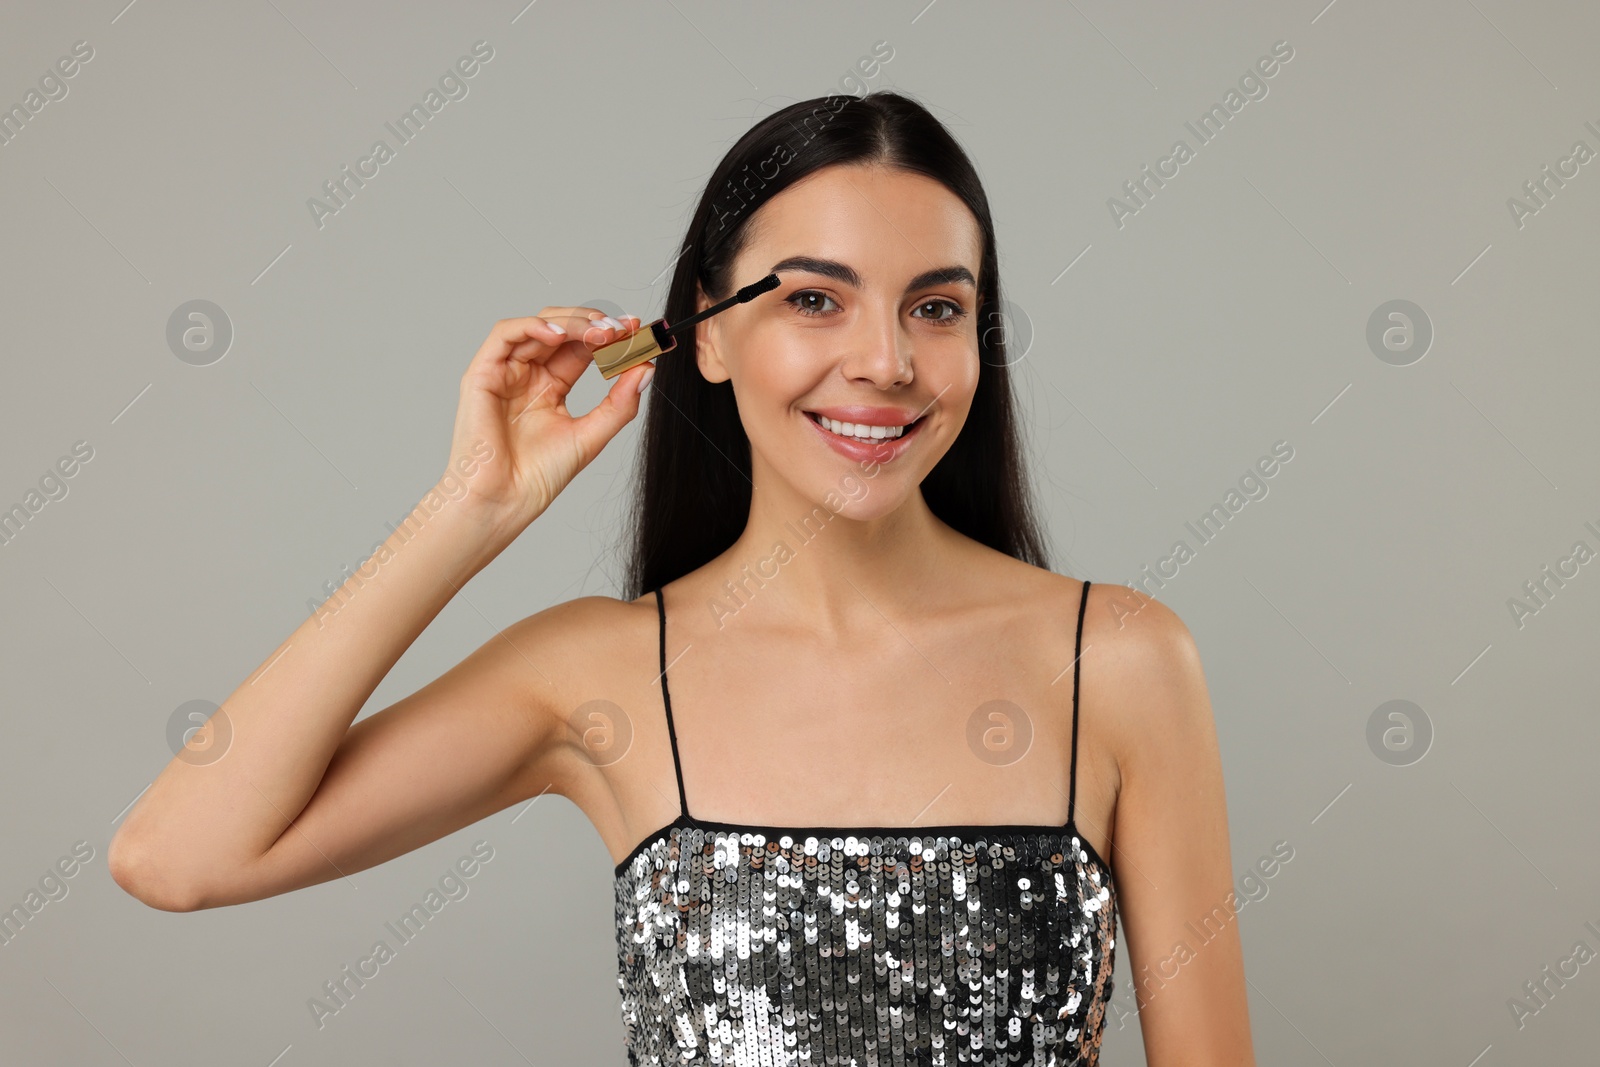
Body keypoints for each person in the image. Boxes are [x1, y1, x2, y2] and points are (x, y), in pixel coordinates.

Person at [108, 90, 1254, 1065]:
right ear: (705, 330)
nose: (886, 361)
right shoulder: (592, 671)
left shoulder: (1122, 658)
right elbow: (178, 855)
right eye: (814, 298)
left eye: (937, 307)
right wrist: (471, 508)